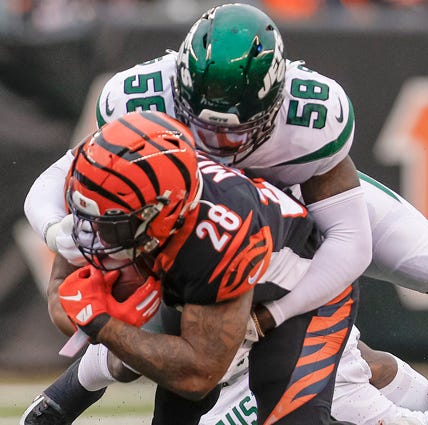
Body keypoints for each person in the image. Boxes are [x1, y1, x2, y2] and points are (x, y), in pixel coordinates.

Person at [22, 4, 428, 423]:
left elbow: (347, 250)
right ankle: (408, 387)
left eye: (237, 126)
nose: (218, 145)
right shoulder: (138, 107)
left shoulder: (309, 121)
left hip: (301, 224)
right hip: (240, 243)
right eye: (202, 126)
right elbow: (62, 189)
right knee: (332, 364)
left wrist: (267, 316)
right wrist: (66, 243)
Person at [46, 110, 360, 424]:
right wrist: (83, 314)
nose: (93, 234)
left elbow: (198, 375)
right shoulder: (121, 192)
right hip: (207, 286)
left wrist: (100, 323)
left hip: (304, 295)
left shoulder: (218, 240)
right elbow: (62, 294)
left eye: (111, 224)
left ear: (159, 212)